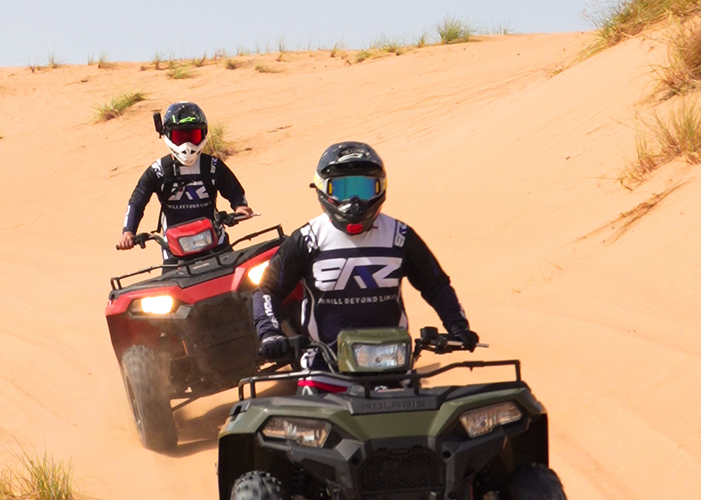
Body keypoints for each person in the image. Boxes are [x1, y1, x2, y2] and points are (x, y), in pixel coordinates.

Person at [252, 141, 478, 380]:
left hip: (393, 370)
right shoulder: (307, 239)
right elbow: (267, 289)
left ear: (381, 188)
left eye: (364, 188)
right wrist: (270, 334)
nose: (354, 201)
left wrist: (458, 326)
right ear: (321, 189)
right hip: (323, 372)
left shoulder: (400, 236)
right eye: (341, 189)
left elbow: (436, 285)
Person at [117, 102, 253, 253]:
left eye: (193, 136)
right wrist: (128, 231)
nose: (187, 145)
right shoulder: (158, 171)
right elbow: (137, 202)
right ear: (168, 135)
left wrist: (240, 206)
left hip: (216, 242)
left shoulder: (213, 166)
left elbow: (234, 190)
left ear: (203, 134)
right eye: (180, 137)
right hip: (174, 249)